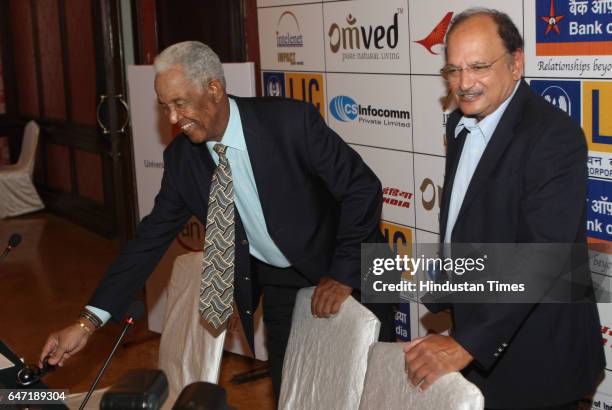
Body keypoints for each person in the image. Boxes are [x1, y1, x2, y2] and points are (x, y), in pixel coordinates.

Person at [39, 41, 392, 401]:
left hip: (352, 259)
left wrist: (343, 274)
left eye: (180, 103)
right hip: (281, 280)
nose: (173, 119)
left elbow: (362, 188)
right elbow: (147, 242)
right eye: (165, 107)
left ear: (214, 88)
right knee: (294, 392)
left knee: (373, 387)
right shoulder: (183, 161)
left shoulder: (288, 122)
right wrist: (86, 322)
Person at [403, 8, 605, 410]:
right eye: (453, 70)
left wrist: (467, 343)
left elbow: (542, 258)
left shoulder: (552, 136)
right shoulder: (459, 125)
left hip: (538, 359)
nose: (464, 84)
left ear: (516, 64)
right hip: (480, 343)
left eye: (478, 67)